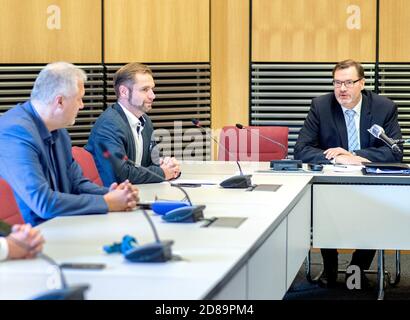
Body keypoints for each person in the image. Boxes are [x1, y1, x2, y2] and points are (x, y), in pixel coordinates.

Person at [294, 59, 403, 288]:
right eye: (337, 83)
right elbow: (301, 149)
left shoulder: (384, 107)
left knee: (378, 210)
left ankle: (357, 267)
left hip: (372, 186)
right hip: (332, 185)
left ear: (361, 83)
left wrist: (355, 155)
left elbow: (395, 152)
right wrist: (340, 158)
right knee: (322, 204)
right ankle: (330, 263)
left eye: (348, 83)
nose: (342, 89)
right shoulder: (321, 106)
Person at [0, 62, 139, 226]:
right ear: (59, 101)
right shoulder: (15, 133)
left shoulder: (58, 131)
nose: (82, 105)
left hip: (62, 225)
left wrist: (113, 193)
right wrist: (107, 202)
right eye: (79, 99)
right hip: (30, 238)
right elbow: (43, 203)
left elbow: (77, 183)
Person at [85, 63, 180, 187]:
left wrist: (169, 166)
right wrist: (162, 173)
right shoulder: (109, 125)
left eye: (152, 89)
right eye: (145, 89)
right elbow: (121, 175)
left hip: (137, 193)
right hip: (110, 200)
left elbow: (152, 162)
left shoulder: (145, 121)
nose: (153, 95)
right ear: (124, 92)